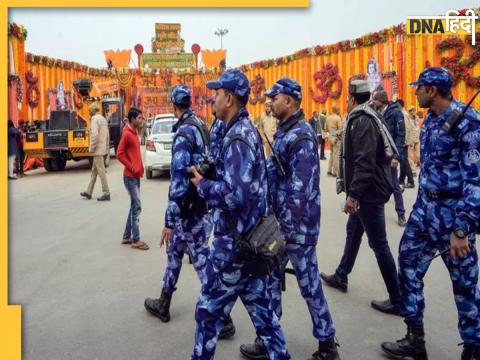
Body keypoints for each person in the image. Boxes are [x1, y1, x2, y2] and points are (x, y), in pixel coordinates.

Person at [188, 69, 291, 360]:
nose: (213, 98)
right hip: (249, 246)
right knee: (267, 322)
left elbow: (237, 195)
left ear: (229, 98)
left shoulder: (238, 138)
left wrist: (203, 185)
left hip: (233, 251)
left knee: (207, 317)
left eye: (217, 94)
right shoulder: (243, 131)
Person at [381, 67, 480, 360]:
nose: (415, 91)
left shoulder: (468, 123)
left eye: (419, 87)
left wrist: (462, 229)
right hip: (425, 211)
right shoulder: (433, 120)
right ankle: (415, 339)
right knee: (408, 263)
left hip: (454, 216)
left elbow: (476, 181)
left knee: (464, 284)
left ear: (432, 90)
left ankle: (474, 348)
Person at [240, 78, 339, 360]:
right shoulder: (285, 131)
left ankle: (328, 345)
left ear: (291, 101)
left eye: (276, 97)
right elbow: (275, 174)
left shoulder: (302, 135)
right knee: (269, 281)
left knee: (309, 285)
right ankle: (268, 338)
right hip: (281, 225)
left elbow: (301, 189)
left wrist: (284, 230)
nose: (270, 101)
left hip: (297, 229)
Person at [143, 85, 236, 337]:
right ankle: (164, 301)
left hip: (189, 210)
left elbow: (179, 180)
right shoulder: (200, 125)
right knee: (174, 253)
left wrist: (170, 220)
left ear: (174, 106)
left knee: (202, 260)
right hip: (198, 203)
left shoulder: (184, 132)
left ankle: (222, 317)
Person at [320, 80, 401, 316]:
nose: (346, 102)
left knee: (379, 244)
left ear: (353, 98)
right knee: (353, 231)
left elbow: (364, 162)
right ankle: (342, 275)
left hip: (369, 193)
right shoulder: (366, 115)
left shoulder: (363, 120)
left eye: (348, 98)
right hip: (367, 190)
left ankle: (397, 299)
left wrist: (353, 195)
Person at [372, 90, 407, 227]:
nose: (373, 102)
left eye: (375, 99)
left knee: (394, 186)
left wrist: (397, 157)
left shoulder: (395, 113)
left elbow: (400, 135)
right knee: (373, 184)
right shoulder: (375, 112)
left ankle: (401, 214)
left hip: (390, 156)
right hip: (376, 156)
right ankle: (374, 214)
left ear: (382, 101)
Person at [116, 107, 149, 250]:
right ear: (133, 119)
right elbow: (119, 154)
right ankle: (136, 239)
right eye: (139, 118)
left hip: (135, 176)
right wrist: (131, 167)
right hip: (130, 177)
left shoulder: (134, 132)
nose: (141, 120)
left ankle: (126, 236)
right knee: (137, 206)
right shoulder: (127, 134)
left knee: (134, 205)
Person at [80, 102, 111, 201]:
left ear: (93, 111)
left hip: (97, 150)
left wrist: (91, 148)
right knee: (94, 171)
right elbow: (107, 136)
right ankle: (89, 192)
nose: (89, 113)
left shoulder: (94, 120)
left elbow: (94, 135)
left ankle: (106, 192)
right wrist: (106, 148)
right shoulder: (103, 119)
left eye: (89, 111)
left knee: (101, 171)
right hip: (102, 149)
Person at [397, 99, 415, 188]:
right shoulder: (404, 113)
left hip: (404, 141)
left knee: (404, 160)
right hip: (405, 140)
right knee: (403, 160)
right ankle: (401, 180)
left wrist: (405, 141)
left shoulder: (403, 114)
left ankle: (411, 180)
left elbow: (407, 128)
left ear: (399, 105)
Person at [325, 105, 342, 176]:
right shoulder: (338, 118)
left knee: (331, 154)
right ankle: (335, 172)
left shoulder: (328, 118)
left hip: (330, 137)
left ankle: (329, 170)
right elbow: (340, 129)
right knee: (336, 155)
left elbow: (325, 129)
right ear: (337, 110)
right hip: (336, 138)